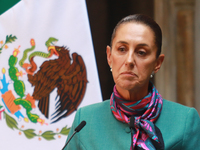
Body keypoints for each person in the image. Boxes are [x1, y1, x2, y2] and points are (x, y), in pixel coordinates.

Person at [64, 14, 200, 150]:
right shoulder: (85, 120)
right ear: (109, 56)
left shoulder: (185, 120)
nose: (129, 61)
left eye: (141, 52)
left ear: (157, 63)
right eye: (122, 49)